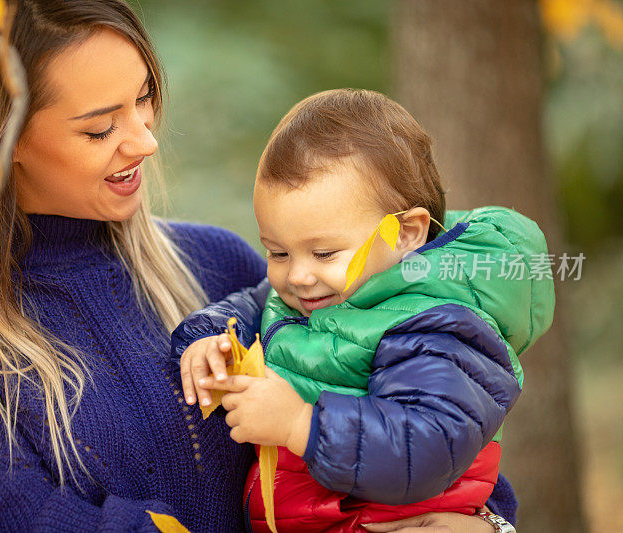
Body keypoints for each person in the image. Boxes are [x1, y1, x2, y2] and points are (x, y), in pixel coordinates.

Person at [0, 1, 514, 531]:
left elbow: (418, 414)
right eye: (100, 127)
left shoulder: (222, 268)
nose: (146, 139)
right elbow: (6, 518)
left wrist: (479, 520)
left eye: (144, 98)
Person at [173, 90, 554, 531]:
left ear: (406, 233)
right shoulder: (315, 292)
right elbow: (253, 304)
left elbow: (427, 447)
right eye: (277, 252)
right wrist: (210, 338)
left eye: (324, 252)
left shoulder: (436, 324)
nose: (297, 276)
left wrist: (301, 423)